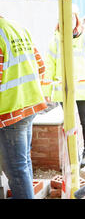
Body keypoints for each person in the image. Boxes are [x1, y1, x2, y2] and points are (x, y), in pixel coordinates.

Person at [43, 12, 85, 167]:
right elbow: (49, 67)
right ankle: (72, 152)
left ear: (77, 20)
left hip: (83, 89)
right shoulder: (54, 41)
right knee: (68, 123)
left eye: (72, 18)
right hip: (63, 90)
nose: (69, 22)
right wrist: (47, 92)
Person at [0, 16, 47, 199]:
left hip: (9, 111)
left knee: (16, 170)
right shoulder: (18, 28)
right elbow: (41, 67)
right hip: (29, 105)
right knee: (23, 164)